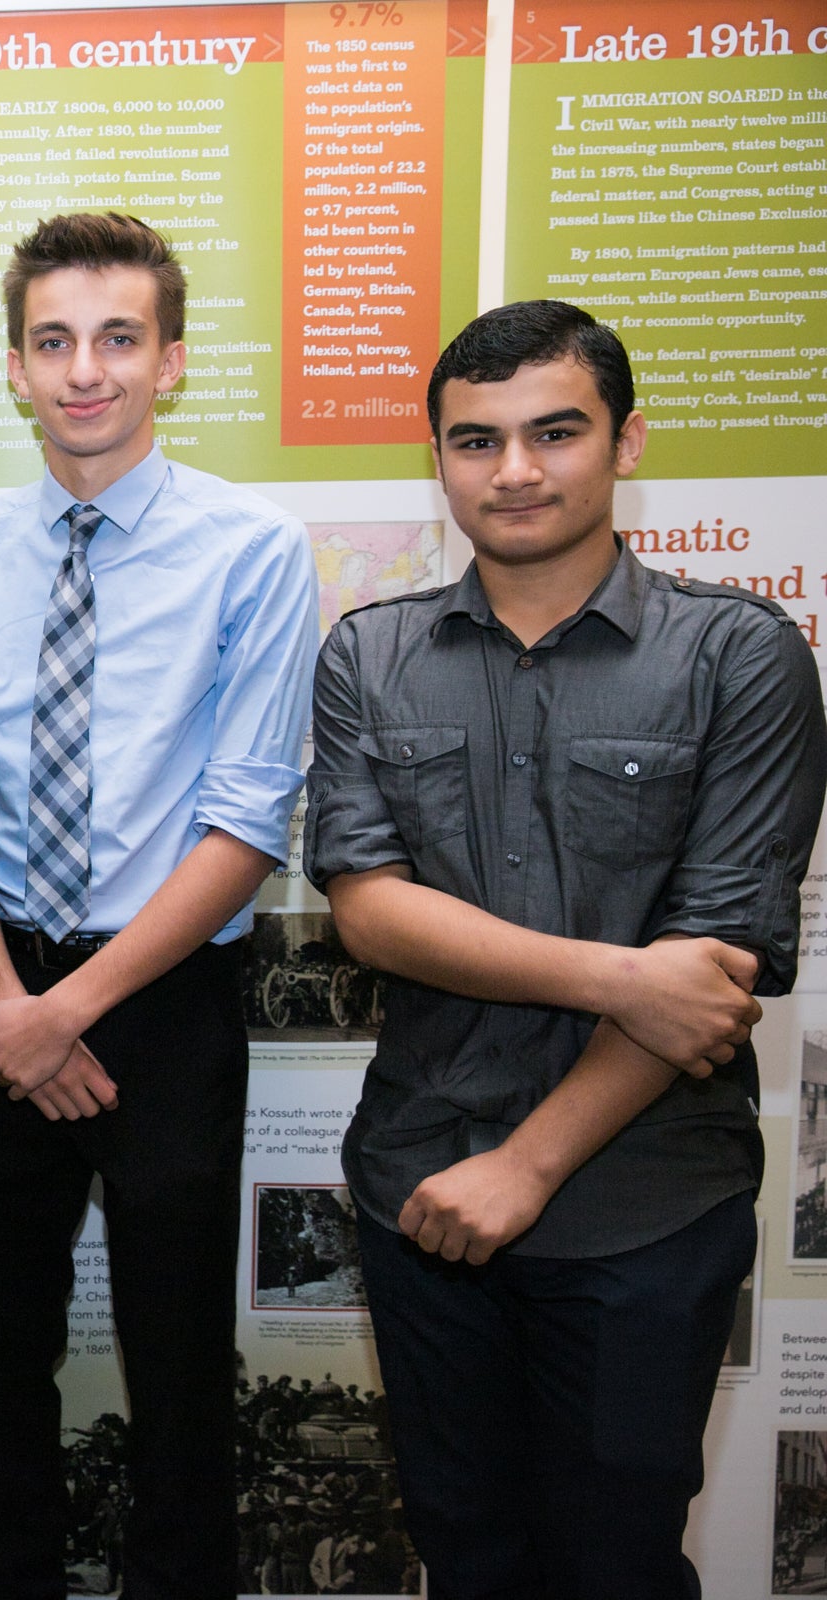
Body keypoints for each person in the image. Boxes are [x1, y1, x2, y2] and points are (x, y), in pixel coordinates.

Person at [305, 300, 827, 1595]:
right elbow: (369, 909)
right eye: (475, 440)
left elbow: (714, 975)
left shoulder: (741, 654)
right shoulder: (370, 653)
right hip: (424, 1183)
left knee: (617, 1565)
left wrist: (527, 1167)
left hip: (647, 1207)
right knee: (467, 1556)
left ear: (627, 441)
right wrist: (615, 973)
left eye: (555, 432)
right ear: (437, 458)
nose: (516, 470)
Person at [0, 212, 318, 1597]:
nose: (86, 370)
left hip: (162, 1000)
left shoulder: (253, 551)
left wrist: (70, 1011)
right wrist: (6, 1005)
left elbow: (249, 817)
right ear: (18, 369)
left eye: (118, 339)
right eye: (54, 341)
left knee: (181, 1360)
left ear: (174, 361)